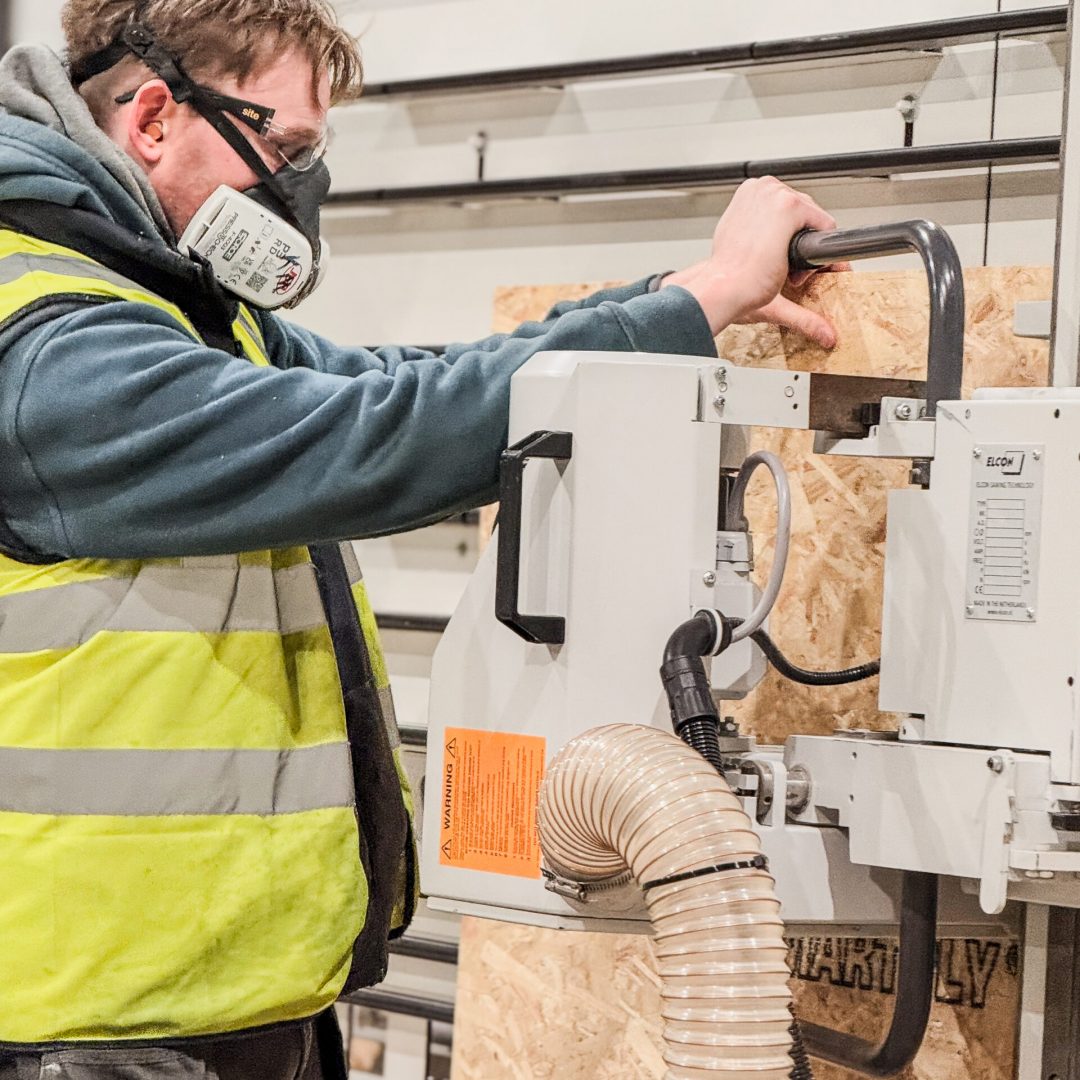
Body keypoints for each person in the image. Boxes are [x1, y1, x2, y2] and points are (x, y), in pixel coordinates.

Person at [0, 2, 840, 1077]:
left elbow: (406, 381)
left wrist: (681, 301)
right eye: (284, 146)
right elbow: (373, 435)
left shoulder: (183, 312)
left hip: (224, 1008)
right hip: (83, 1032)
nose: (298, 187)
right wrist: (698, 296)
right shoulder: (48, 344)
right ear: (156, 116)